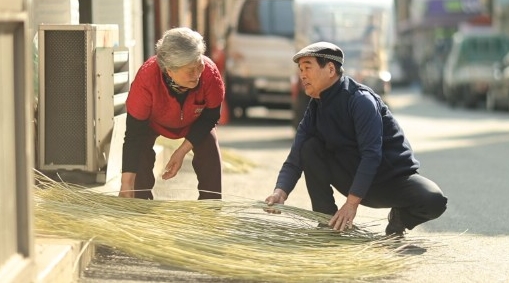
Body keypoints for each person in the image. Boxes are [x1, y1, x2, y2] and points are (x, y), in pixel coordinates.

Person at [265, 41, 447, 235]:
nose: (302, 75)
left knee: (434, 200)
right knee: (309, 148)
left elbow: (371, 155)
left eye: (308, 68)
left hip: (390, 180)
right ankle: (328, 221)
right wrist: (280, 192)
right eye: (300, 69)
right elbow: (296, 157)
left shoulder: (360, 100)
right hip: (353, 180)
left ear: (330, 69)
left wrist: (351, 204)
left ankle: (400, 219)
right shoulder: (315, 108)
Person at [118, 27, 225, 200]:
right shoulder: (146, 79)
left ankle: (211, 208)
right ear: (169, 70)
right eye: (190, 70)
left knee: (209, 144)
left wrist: (181, 151)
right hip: (153, 123)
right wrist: (126, 182)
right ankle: (139, 205)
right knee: (141, 153)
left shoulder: (210, 74)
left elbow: (210, 117)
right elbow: (133, 135)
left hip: (195, 122)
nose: (198, 73)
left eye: (199, 65)